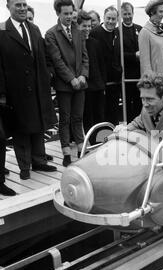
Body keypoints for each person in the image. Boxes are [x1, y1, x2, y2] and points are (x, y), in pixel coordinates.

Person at [0, 0, 57, 180]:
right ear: (8, 7)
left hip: (38, 89)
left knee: (39, 126)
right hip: (15, 91)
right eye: (18, 5)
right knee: (21, 130)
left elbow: (44, 56)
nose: (23, 8)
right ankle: (24, 167)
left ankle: (39, 161)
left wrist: (48, 75)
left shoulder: (34, 29)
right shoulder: (2, 31)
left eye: (25, 5)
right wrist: (2, 93)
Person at [45, 0, 89, 167]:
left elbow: (85, 57)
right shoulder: (51, 34)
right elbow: (57, 61)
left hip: (81, 83)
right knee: (65, 119)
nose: (70, 17)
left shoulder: (78, 31)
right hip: (64, 84)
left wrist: (84, 75)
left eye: (71, 13)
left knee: (78, 117)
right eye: (66, 14)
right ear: (58, 14)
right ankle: (65, 152)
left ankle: (80, 147)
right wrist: (71, 79)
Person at [78, 11, 106, 144]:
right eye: (85, 26)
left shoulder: (95, 43)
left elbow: (102, 65)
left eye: (90, 26)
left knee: (99, 115)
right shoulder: (76, 44)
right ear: (78, 26)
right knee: (88, 117)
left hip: (98, 85)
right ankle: (92, 142)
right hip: (85, 87)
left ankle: (100, 141)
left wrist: (103, 84)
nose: (88, 29)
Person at [90, 6, 122, 125]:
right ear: (104, 17)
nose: (111, 21)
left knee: (113, 114)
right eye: (108, 18)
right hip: (101, 82)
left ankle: (114, 138)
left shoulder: (118, 32)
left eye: (113, 19)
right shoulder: (95, 33)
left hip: (115, 82)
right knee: (101, 115)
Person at [121, 2, 142, 122]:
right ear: (121, 15)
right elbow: (118, 54)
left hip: (139, 74)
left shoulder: (140, 29)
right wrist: (134, 55)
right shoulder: (118, 31)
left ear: (133, 13)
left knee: (140, 103)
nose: (128, 16)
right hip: (126, 75)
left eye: (129, 13)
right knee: (127, 104)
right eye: (125, 14)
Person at [139, 0, 163, 75]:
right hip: (154, 80)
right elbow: (145, 64)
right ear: (152, 12)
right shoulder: (145, 32)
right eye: (160, 12)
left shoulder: (161, 30)